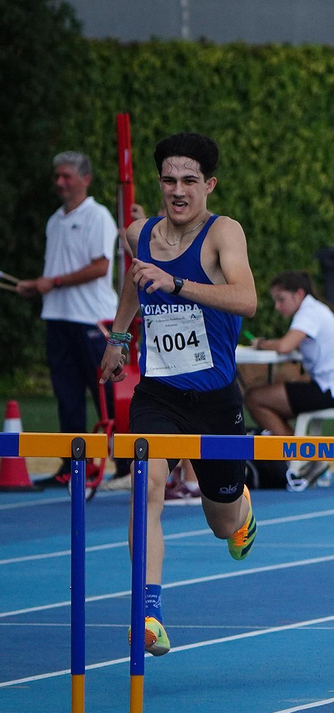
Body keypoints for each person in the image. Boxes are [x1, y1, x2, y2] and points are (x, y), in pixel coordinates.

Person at [99, 132, 259, 657]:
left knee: (222, 524)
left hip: (214, 398)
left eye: (190, 180)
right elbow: (134, 279)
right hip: (159, 395)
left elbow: (246, 300)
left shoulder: (223, 233)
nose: (178, 190)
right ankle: (148, 612)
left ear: (209, 184)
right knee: (148, 485)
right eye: (169, 179)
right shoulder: (138, 233)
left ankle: (241, 506)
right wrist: (121, 337)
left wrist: (177, 284)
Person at [16, 152, 120, 486]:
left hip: (92, 319)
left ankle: (127, 464)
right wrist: (40, 286)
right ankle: (72, 465)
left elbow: (101, 266)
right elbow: (56, 271)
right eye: (57, 177)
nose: (60, 183)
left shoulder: (98, 216)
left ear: (85, 179)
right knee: (67, 395)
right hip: (59, 317)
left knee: (104, 395)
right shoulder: (54, 220)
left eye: (67, 176)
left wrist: (54, 282)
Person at [243, 271, 334, 475]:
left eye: (281, 299)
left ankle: (302, 458)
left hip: (330, 390)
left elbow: (286, 346)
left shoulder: (309, 312)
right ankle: (305, 456)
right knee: (270, 399)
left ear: (298, 295)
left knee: (254, 398)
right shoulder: (318, 309)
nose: (278, 307)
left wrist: (261, 343)